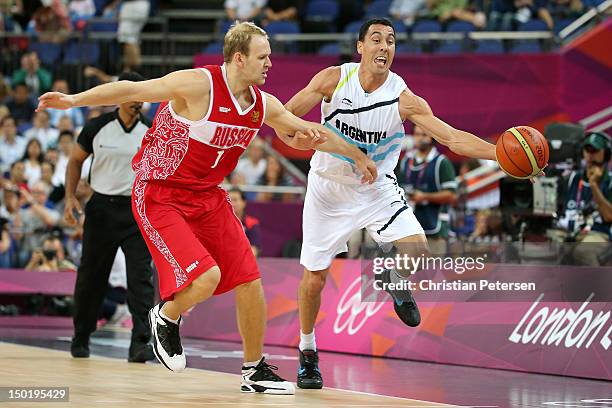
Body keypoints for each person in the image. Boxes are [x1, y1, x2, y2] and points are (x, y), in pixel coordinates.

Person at [37, 21, 376, 394]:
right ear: (238, 58)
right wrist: (72, 100)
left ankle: (253, 369)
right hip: (160, 193)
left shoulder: (263, 105)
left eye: (270, 57)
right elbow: (134, 88)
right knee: (207, 278)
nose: (270, 64)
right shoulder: (199, 84)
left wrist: (356, 155)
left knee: (249, 278)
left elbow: (310, 131)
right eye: (263, 57)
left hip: (208, 197)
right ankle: (164, 316)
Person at [278, 18, 518, 389]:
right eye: (376, 39)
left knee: (418, 249)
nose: (384, 47)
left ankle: (392, 278)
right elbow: (285, 120)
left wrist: (500, 157)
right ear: (360, 47)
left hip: (376, 189)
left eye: (390, 41)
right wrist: (299, 138)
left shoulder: (404, 99)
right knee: (314, 280)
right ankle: (308, 352)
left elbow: (452, 138)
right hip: (327, 190)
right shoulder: (333, 80)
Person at [62, 71, 155, 363]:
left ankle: (140, 342)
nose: (138, 100)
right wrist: (70, 196)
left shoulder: (151, 131)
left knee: (141, 279)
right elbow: (75, 160)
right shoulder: (96, 127)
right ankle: (81, 336)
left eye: (142, 94)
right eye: (133, 94)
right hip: (101, 208)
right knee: (91, 277)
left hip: (137, 211)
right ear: (118, 96)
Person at [399, 125, 457, 254]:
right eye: (417, 134)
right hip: (408, 231)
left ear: (432, 137)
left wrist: (424, 197)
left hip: (434, 231)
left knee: (433, 272)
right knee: (406, 272)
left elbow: (451, 195)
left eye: (424, 135)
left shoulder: (441, 162)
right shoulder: (405, 161)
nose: (420, 138)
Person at [559, 131, 612, 265]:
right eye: (587, 150)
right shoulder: (572, 178)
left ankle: (598, 286)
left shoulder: (610, 181)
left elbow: (609, 216)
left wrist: (594, 185)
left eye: (595, 150)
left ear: (606, 154)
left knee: (583, 252)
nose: (590, 155)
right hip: (567, 231)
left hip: (598, 234)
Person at [228, 187, 262, 256]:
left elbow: (254, 250)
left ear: (244, 203)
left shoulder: (251, 223)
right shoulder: (220, 224)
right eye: (229, 200)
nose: (232, 204)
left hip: (244, 261)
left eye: (235, 200)